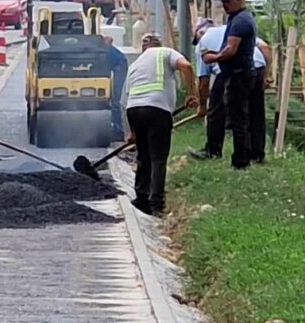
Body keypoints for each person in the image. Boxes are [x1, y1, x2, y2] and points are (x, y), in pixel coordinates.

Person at [124, 32, 198, 216]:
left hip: (134, 110)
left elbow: (125, 98)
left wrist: (132, 132)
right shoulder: (166, 52)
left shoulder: (135, 64)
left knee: (143, 155)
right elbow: (186, 66)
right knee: (158, 158)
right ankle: (156, 204)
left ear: (143, 48)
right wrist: (191, 93)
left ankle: (141, 198)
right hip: (157, 110)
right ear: (159, 44)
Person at [188, 17, 271, 162]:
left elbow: (204, 82)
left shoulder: (203, 43)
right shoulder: (231, 29)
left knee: (216, 111)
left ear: (199, 33)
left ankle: (212, 151)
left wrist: (202, 107)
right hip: (256, 67)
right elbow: (264, 47)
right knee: (255, 112)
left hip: (230, 70)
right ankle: (257, 154)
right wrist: (265, 76)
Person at [202, 0, 259, 169]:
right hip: (236, 73)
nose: (225, 6)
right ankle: (240, 156)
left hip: (239, 75)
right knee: (238, 117)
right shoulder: (236, 18)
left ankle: (241, 160)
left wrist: (214, 57)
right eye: (223, 2)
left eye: (228, 2)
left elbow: (231, 49)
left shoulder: (241, 21)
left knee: (238, 119)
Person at [103, 34, 129, 142]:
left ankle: (118, 131)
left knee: (115, 99)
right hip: (110, 65)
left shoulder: (94, 38)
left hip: (119, 65)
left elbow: (109, 38)